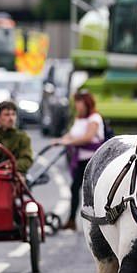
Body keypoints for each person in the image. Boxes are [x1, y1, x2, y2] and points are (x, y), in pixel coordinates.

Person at [54, 89, 105, 230]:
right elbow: (71, 135)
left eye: (79, 102)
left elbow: (88, 138)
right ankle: (72, 220)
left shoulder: (94, 119)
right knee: (75, 188)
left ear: (86, 103)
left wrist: (68, 143)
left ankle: (96, 221)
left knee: (90, 191)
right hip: (81, 159)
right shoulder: (79, 119)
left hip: (92, 160)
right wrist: (60, 140)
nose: (77, 105)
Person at [0, 100, 33, 175]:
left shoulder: (22, 137)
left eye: (13, 114)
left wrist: (9, 166)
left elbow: (26, 160)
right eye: (7, 115)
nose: (11, 118)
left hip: (13, 177)